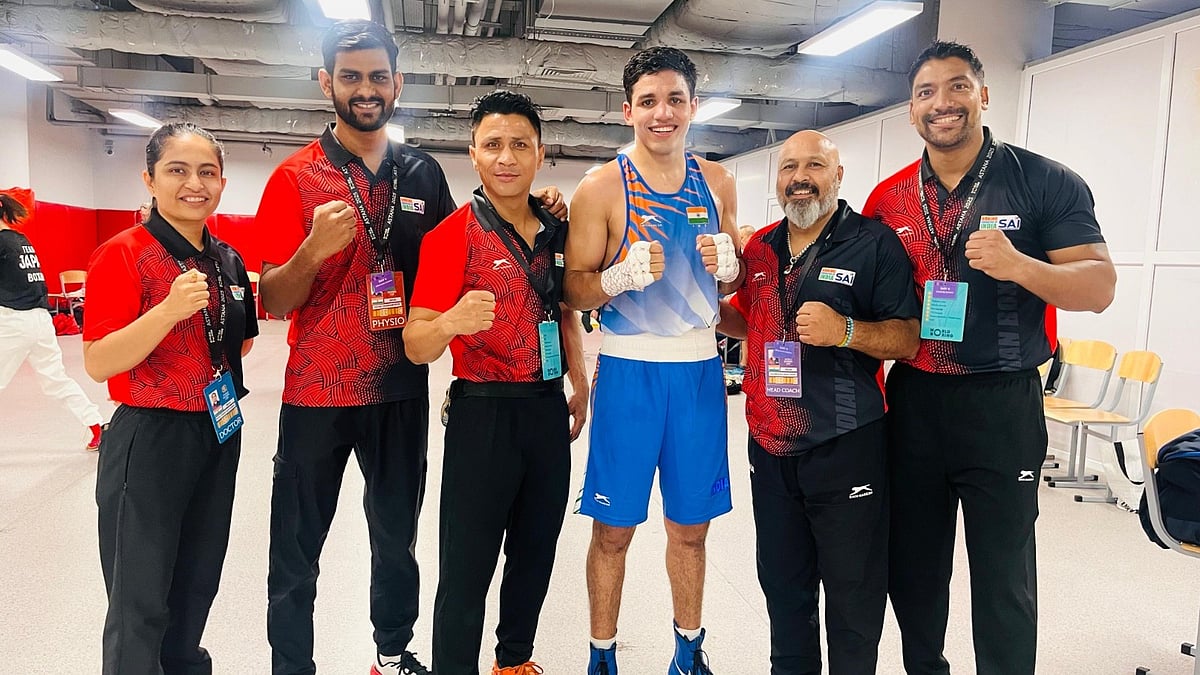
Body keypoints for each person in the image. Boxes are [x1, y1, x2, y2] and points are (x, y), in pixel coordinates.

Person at [254, 20, 565, 675]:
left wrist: (532, 204)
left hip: (401, 387)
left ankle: (392, 651)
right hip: (316, 391)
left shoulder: (422, 171)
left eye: (377, 77)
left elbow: (470, 244)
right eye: (350, 76)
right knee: (296, 546)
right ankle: (291, 665)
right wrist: (312, 250)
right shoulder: (294, 178)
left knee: (396, 539)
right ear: (326, 82)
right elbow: (274, 300)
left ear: (397, 84)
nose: (365, 89)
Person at [862, 41, 1116, 675]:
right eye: (926, 92)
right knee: (916, 571)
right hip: (915, 399)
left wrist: (1020, 265)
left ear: (983, 93)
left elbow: (1100, 286)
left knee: (1002, 574)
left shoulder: (1044, 180)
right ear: (910, 109)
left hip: (1001, 402)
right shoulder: (887, 199)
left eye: (956, 87)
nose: (942, 103)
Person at [564, 45, 743, 675]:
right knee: (613, 531)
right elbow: (573, 288)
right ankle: (602, 656)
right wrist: (616, 278)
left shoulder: (718, 181)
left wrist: (734, 267)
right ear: (627, 109)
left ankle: (688, 649)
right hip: (629, 376)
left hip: (698, 374)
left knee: (691, 528)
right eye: (647, 101)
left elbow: (728, 287)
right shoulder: (600, 186)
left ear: (693, 106)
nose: (661, 113)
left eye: (673, 100)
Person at [718, 130, 920, 675]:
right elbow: (750, 321)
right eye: (788, 167)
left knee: (853, 594)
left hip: (845, 441)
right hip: (769, 445)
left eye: (814, 165)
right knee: (784, 590)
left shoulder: (874, 243)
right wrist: (711, 310)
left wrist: (846, 330)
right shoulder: (760, 247)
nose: (799, 177)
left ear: (837, 176)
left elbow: (907, 338)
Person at [405, 90, 588, 675]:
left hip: (545, 411)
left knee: (535, 554)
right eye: (493, 145)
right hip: (481, 414)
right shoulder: (449, 235)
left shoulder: (559, 232)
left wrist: (579, 378)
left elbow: (563, 311)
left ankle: (514, 661)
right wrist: (452, 320)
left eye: (520, 145)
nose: (506, 157)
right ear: (474, 155)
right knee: (466, 567)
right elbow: (414, 343)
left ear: (539, 155)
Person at [83, 122, 258, 674]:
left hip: (215, 431)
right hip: (150, 434)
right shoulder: (123, 254)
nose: (194, 184)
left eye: (207, 172)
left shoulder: (228, 258)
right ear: (150, 179)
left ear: (222, 183)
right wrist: (165, 313)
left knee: (197, 580)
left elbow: (241, 342)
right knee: (140, 593)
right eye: (177, 170)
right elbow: (99, 361)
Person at [0, 193, 103, 451]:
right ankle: (95, 424)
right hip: (40, 321)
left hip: (14, 322)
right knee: (56, 379)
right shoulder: (19, 240)